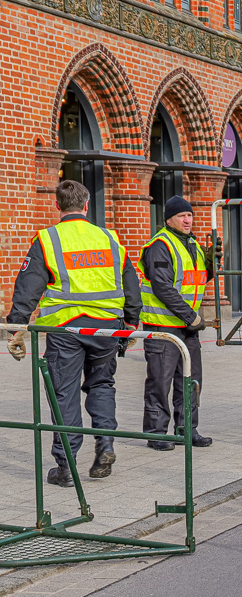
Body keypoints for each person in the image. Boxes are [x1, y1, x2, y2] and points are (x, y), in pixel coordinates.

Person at [4, 180, 141, 485]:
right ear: (87, 205)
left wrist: (16, 327)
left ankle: (66, 467)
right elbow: (131, 282)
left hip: (66, 329)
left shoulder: (48, 239)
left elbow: (28, 287)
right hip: (107, 327)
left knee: (64, 393)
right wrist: (131, 322)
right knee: (102, 384)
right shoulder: (109, 238)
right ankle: (105, 443)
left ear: (58, 206)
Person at [139, 195, 221, 450]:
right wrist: (192, 316)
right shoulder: (160, 245)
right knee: (159, 382)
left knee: (190, 380)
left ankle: (188, 429)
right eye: (182, 216)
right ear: (169, 219)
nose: (188, 220)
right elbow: (163, 287)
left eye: (190, 215)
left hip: (187, 328)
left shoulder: (193, 244)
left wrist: (210, 264)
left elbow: (194, 280)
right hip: (163, 326)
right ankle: (156, 433)